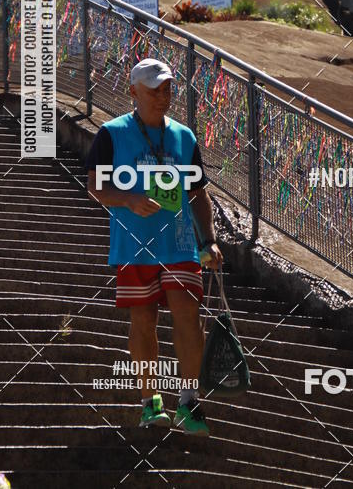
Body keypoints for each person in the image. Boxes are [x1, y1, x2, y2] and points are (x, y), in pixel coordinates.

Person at [86, 58, 223, 435]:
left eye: (167, 89)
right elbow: (96, 187)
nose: (163, 97)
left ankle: (190, 400)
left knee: (187, 313)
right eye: (154, 90)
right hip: (134, 246)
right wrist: (129, 199)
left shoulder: (185, 137)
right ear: (133, 92)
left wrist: (208, 239)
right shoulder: (111, 134)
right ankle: (150, 401)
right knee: (143, 319)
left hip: (179, 243)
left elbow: (197, 194)